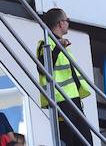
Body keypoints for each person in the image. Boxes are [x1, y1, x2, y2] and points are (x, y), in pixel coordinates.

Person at [36, 8, 92, 146]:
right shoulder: (46, 43)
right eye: (67, 20)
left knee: (85, 140)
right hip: (60, 100)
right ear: (61, 23)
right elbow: (42, 68)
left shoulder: (59, 43)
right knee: (68, 140)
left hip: (73, 100)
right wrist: (57, 48)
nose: (68, 23)